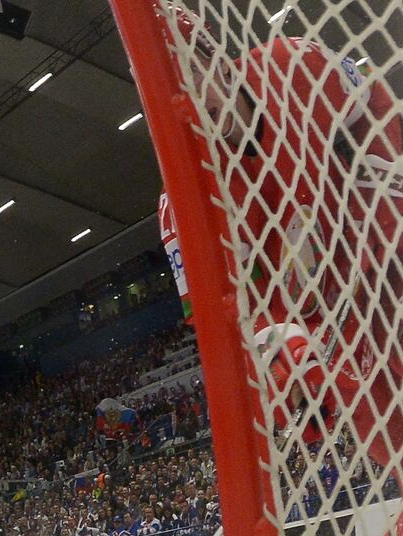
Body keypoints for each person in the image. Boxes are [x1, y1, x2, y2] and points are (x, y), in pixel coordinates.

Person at [159, 9, 402, 500]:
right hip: (325, 328)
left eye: (186, 82)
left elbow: (370, 99)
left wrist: (386, 184)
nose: (182, 109)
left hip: (381, 262)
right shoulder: (182, 209)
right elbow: (219, 324)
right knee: (375, 413)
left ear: (214, 59)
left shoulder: (293, 64)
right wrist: (288, 354)